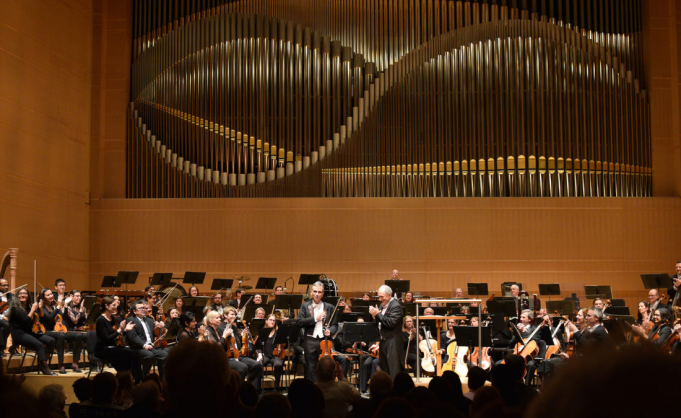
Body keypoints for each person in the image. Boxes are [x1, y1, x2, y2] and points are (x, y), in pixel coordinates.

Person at [206, 307, 263, 391]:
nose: (234, 316)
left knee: (256, 365)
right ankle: (236, 391)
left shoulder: (234, 327)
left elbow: (237, 344)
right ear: (225, 315)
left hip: (237, 354)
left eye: (235, 314)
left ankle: (251, 390)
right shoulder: (220, 327)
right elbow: (223, 346)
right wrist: (225, 336)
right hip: (228, 355)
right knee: (243, 367)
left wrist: (242, 336)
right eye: (231, 314)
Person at [38, 288, 88, 373]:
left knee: (78, 336)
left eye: (51, 294)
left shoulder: (53, 306)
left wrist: (65, 305)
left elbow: (63, 317)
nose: (51, 296)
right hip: (47, 331)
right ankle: (60, 364)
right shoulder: (42, 307)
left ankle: (75, 362)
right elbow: (50, 318)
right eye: (48, 295)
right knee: (60, 336)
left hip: (58, 330)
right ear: (43, 297)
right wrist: (58, 306)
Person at [7, 287, 56, 375]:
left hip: (30, 332)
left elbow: (39, 318)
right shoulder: (15, 308)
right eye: (20, 293)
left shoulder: (29, 306)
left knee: (51, 341)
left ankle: (42, 364)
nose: (22, 295)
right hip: (19, 334)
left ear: (28, 295)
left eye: (25, 293)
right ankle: (45, 368)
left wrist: (39, 308)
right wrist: (33, 309)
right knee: (39, 345)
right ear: (17, 295)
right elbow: (25, 320)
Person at [297, 281, 338, 382]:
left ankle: (325, 389)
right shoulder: (305, 306)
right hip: (310, 341)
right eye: (315, 291)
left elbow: (335, 325)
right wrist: (315, 318)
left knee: (325, 368)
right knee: (310, 368)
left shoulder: (330, 307)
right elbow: (299, 322)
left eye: (319, 292)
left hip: (324, 342)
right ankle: (314, 390)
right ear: (311, 292)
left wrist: (331, 331)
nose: (317, 294)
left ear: (323, 294)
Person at [95, 296, 142, 382]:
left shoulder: (112, 318)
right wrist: (120, 330)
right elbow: (106, 338)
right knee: (129, 354)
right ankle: (129, 378)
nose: (116, 307)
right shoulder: (100, 320)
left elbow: (116, 334)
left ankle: (134, 378)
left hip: (113, 347)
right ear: (106, 306)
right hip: (103, 349)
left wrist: (124, 330)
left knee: (135, 353)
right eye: (113, 305)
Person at [125, 299, 168, 380]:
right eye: (141, 308)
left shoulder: (149, 320)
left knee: (164, 355)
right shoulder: (131, 320)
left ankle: (162, 379)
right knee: (149, 355)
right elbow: (133, 337)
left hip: (151, 346)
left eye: (144, 308)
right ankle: (144, 376)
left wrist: (161, 327)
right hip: (138, 347)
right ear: (134, 311)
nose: (144, 310)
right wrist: (144, 345)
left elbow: (156, 333)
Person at [368, 284, 403, 379]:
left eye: (382, 297)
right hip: (383, 341)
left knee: (393, 369)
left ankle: (395, 392)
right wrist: (374, 317)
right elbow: (379, 321)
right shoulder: (382, 305)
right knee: (385, 369)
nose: (380, 299)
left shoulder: (396, 306)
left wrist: (377, 315)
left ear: (389, 295)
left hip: (393, 342)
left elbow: (391, 322)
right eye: (379, 296)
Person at [257, 314, 285, 391]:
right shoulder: (262, 332)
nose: (272, 322)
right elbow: (258, 346)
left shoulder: (278, 332)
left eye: (274, 320)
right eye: (270, 320)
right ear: (266, 321)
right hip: (265, 355)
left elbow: (284, 345)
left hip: (276, 356)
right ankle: (258, 387)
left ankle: (276, 387)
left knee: (278, 364)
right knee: (258, 364)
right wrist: (259, 354)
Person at [0, 278, 14, 355]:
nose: (6, 287)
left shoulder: (11, 296)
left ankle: (13, 347)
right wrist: (2, 317)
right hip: (1, 317)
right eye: (4, 285)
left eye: (7, 285)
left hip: (8, 318)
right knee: (5, 325)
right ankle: (2, 347)